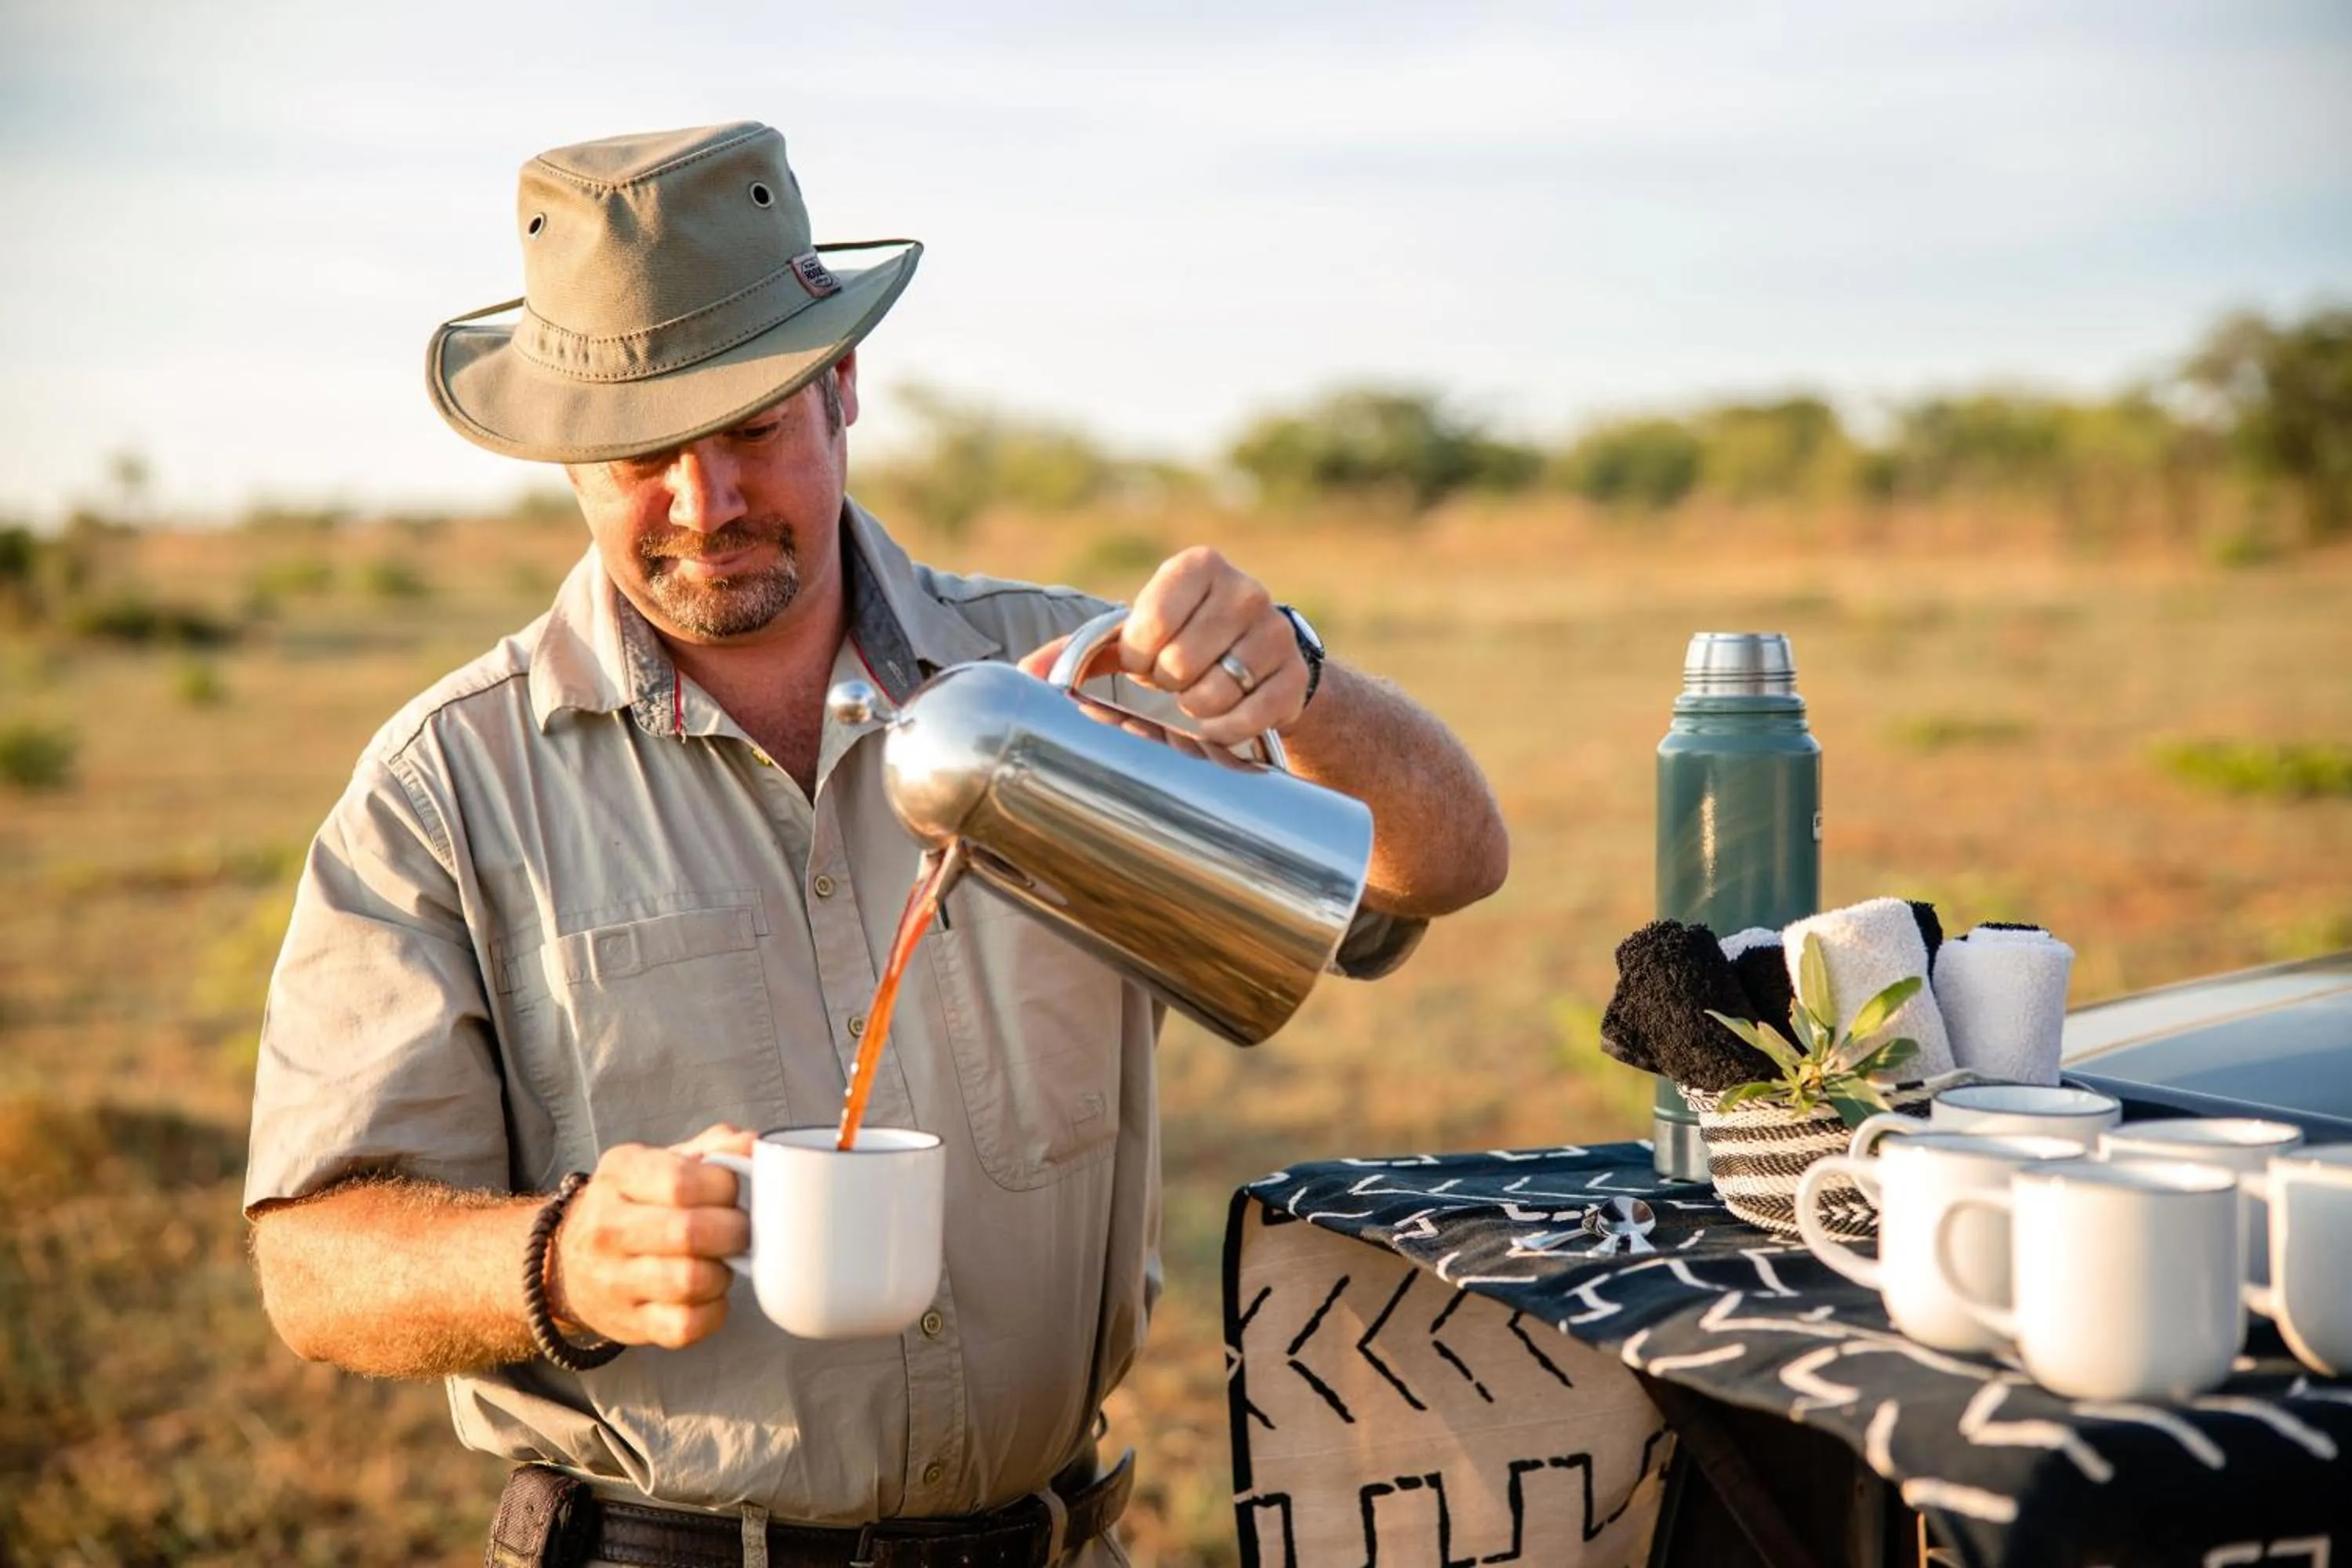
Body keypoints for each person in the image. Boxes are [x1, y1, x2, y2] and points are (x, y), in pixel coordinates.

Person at [245, 121, 1508, 1568]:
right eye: (639, 457)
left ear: (843, 386)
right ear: (565, 462)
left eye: (750, 427)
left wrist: (1305, 680)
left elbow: (1443, 867)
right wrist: (557, 1260)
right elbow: (312, 1262)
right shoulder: (448, 784)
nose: (703, 506)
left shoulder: (1069, 686)